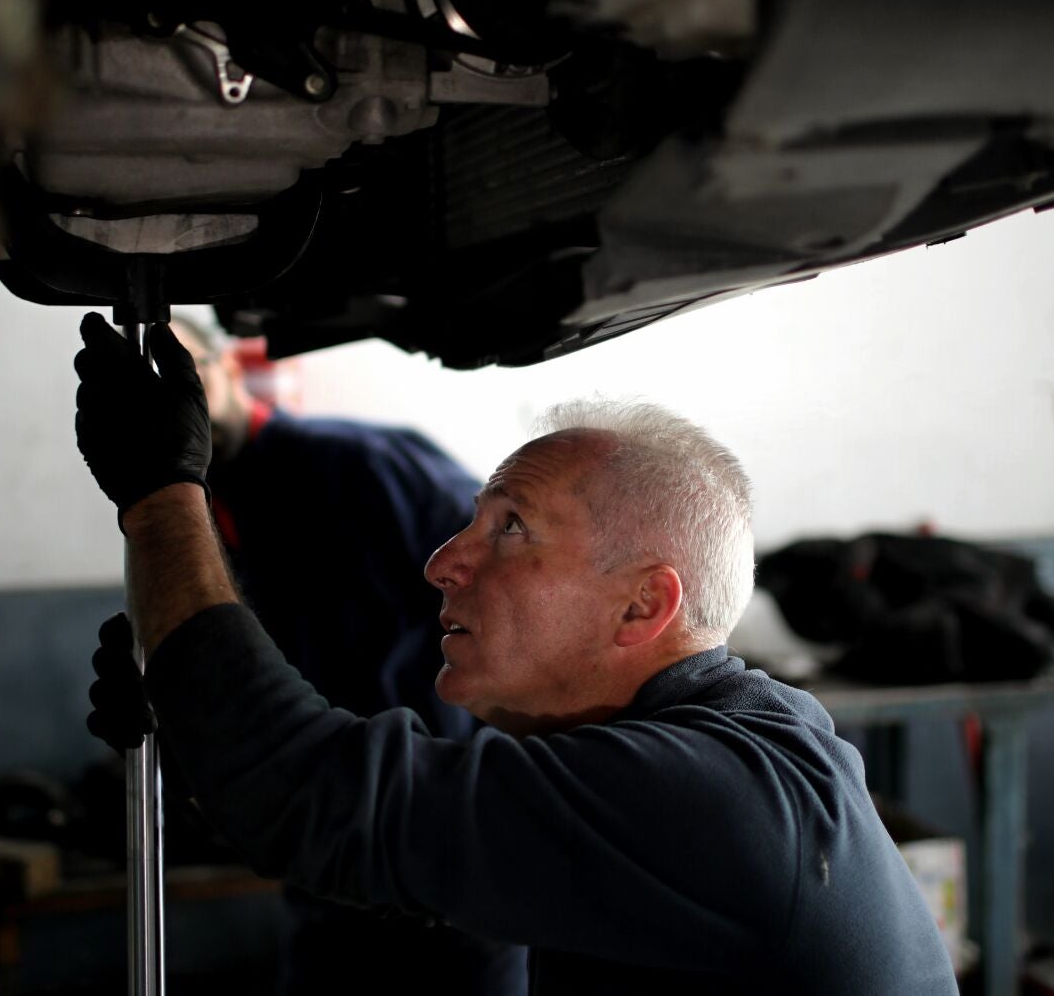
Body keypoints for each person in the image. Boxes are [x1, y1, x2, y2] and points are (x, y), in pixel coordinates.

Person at [73, 313, 957, 993]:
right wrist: (200, 720)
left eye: (511, 528)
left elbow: (311, 794)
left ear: (643, 604)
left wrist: (159, 493)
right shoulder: (723, 737)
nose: (441, 561)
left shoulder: (703, 790)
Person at [162, 313, 523, 993]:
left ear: (230, 369)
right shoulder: (199, 515)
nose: (168, 405)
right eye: (148, 393)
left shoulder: (362, 465)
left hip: (444, 849)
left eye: (181, 376)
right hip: (325, 865)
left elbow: (514, 600)